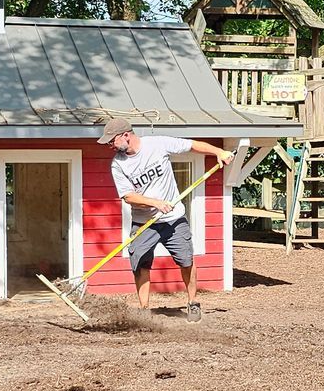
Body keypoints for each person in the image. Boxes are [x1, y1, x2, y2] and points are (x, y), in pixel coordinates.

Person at [98, 118, 233, 320]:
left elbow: (192, 145)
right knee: (141, 263)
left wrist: (218, 152)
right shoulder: (118, 165)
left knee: (186, 260)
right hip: (144, 222)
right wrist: (156, 203)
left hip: (173, 219)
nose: (110, 145)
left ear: (126, 135)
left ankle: (193, 303)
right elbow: (128, 197)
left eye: (112, 140)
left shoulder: (157, 144)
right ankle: (144, 310)